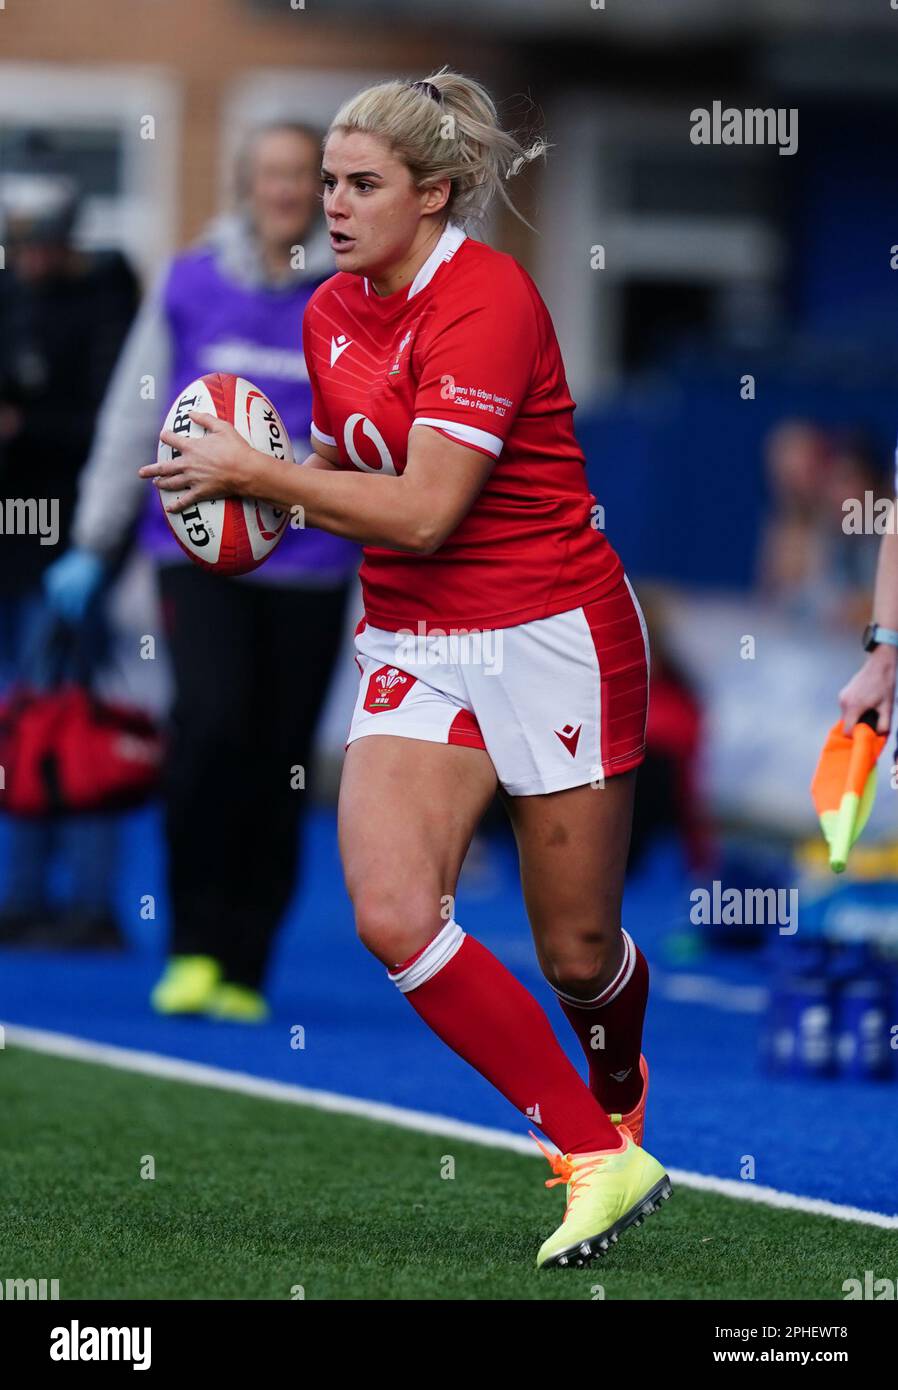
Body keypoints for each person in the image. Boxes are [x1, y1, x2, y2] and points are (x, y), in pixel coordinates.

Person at [139, 71, 672, 1269]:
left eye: (361, 184)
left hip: (550, 633)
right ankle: (596, 1155)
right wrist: (239, 485)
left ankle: (619, 1071)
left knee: (577, 954)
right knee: (390, 910)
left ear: (434, 194)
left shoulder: (488, 299)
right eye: (326, 181)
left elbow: (427, 508)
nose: (330, 204)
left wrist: (263, 479)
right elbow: (359, 460)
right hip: (415, 640)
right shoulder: (330, 308)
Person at [44, 123, 358, 1019]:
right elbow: (128, 416)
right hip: (192, 557)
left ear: (325, 190)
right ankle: (189, 943)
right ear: (244, 184)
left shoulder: (350, 297)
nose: (288, 191)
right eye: (272, 175)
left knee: (279, 756)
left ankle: (246, 961)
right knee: (210, 729)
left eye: (305, 177)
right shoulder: (190, 284)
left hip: (310, 564)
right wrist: (91, 543)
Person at [0, 153, 138, 947]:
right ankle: (21, 893)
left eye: (42, 243)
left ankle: (89, 901)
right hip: (13, 537)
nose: (32, 259)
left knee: (77, 716)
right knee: (20, 719)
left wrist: (28, 425)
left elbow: (114, 423)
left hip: (71, 538)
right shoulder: (10, 294)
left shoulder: (107, 296)